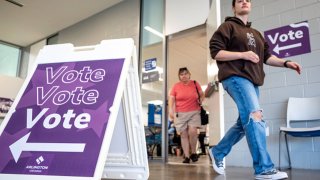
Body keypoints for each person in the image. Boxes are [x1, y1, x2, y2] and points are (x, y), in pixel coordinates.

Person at [208, 0, 302, 179]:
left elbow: (267, 57)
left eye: (247, 0)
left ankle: (218, 152)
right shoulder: (228, 26)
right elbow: (216, 52)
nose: (244, 1)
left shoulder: (256, 33)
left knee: (244, 124)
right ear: (233, 7)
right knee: (255, 116)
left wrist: (286, 63)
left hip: (252, 81)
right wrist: (242, 54)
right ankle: (264, 168)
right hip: (235, 76)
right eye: (239, 0)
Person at [169, 67, 204, 163]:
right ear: (179, 77)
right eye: (181, 74)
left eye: (185, 73)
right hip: (180, 113)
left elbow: (202, 94)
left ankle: (193, 153)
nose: (184, 76)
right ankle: (187, 156)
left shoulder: (195, 84)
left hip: (194, 111)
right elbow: (171, 99)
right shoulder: (176, 86)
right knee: (183, 134)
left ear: (189, 74)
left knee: (192, 131)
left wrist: (201, 99)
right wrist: (170, 110)